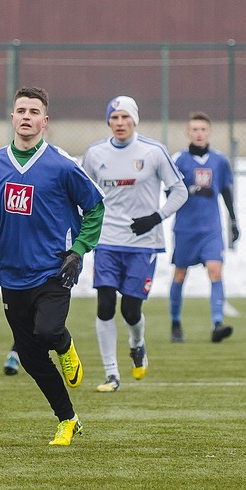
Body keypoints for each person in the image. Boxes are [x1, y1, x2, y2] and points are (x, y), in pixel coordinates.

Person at [0, 86, 104, 446]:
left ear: (45, 121)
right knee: (29, 355)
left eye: (33, 111)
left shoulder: (62, 166)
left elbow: (95, 207)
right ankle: (68, 419)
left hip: (54, 269)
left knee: (46, 333)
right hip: (12, 273)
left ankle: (65, 344)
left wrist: (78, 250)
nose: (26, 116)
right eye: (20, 110)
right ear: (12, 117)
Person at [82, 95, 188, 393]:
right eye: (114, 118)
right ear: (108, 122)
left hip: (142, 243)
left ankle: (137, 343)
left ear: (135, 120)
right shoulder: (94, 153)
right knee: (104, 305)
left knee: (130, 310)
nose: (119, 123)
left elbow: (180, 192)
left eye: (125, 118)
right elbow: (81, 195)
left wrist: (156, 217)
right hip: (107, 241)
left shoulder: (153, 152)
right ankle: (111, 374)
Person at [169, 112, 240, 343]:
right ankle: (175, 322)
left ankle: (218, 323)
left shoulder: (219, 161)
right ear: (188, 133)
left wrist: (233, 221)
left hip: (211, 229)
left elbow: (227, 192)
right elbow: (169, 192)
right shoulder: (178, 160)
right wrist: (190, 191)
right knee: (180, 275)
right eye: (194, 130)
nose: (199, 134)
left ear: (209, 133)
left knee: (215, 271)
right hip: (185, 229)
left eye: (203, 130)